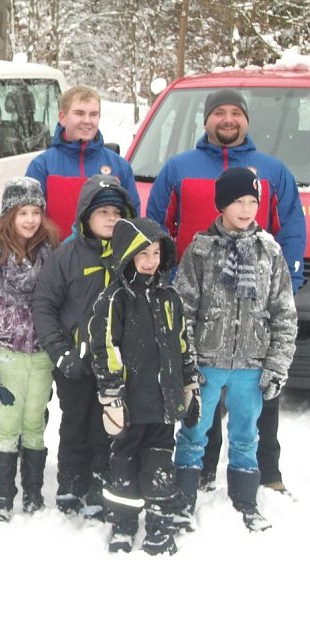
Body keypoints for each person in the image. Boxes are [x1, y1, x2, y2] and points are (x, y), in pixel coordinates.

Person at [146, 89, 305, 496]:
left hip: (254, 305)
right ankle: (200, 472)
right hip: (200, 299)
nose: (228, 119)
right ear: (206, 120)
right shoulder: (178, 168)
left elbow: (289, 226)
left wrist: (282, 276)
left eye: (236, 112)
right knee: (201, 394)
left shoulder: (272, 170)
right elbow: (155, 225)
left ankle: (266, 472)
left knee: (256, 402)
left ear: (247, 120)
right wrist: (167, 279)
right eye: (220, 112)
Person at [173, 167, 296, 532]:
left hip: (251, 364)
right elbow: (182, 311)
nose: (246, 209)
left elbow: (284, 313)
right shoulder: (200, 250)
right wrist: (187, 363)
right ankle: (183, 500)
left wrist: (276, 364)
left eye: (252, 201)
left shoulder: (269, 251)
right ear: (222, 204)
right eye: (238, 201)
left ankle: (245, 501)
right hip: (207, 362)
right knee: (194, 431)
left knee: (247, 434)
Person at [89, 217, 200, 556]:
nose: (151, 260)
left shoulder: (170, 297)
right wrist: (111, 396)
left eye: (156, 252)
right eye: (143, 254)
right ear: (127, 255)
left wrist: (189, 385)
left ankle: (160, 522)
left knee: (159, 464)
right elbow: (105, 348)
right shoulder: (114, 299)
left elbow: (183, 344)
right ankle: (122, 524)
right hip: (130, 404)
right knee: (123, 463)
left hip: (164, 403)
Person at [32, 174, 136, 519]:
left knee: (107, 426)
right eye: (102, 211)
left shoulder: (132, 256)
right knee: (75, 423)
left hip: (118, 363)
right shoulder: (67, 256)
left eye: (116, 212)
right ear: (85, 216)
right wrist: (61, 352)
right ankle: (70, 484)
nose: (110, 218)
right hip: (77, 360)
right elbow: (44, 305)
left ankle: (99, 485)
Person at [0, 177, 59, 522]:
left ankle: (33, 491)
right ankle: (4, 495)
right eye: (23, 212)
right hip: (6, 351)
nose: (31, 220)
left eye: (36, 212)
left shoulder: (51, 252)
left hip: (42, 352)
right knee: (7, 422)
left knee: (35, 422)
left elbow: (59, 302)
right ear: (8, 215)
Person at [25, 85, 139, 240]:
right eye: (79, 113)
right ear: (62, 117)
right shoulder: (42, 166)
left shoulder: (119, 166)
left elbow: (132, 221)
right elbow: (27, 222)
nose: (87, 121)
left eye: (93, 114)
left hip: (105, 261)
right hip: (57, 259)